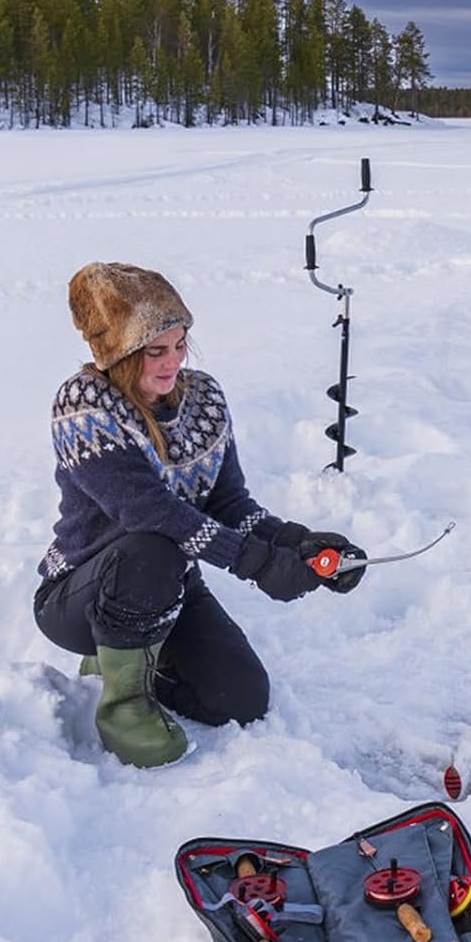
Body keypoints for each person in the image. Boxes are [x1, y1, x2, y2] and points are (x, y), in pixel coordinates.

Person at [34, 262, 366, 768]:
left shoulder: (203, 398)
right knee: (151, 545)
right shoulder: (85, 408)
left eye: (180, 344)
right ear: (118, 353)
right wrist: (255, 564)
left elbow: (229, 504)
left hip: (166, 584)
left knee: (241, 699)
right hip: (81, 591)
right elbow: (151, 512)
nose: (172, 363)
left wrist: (298, 544)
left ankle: (136, 656)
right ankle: (122, 704)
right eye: (155, 351)